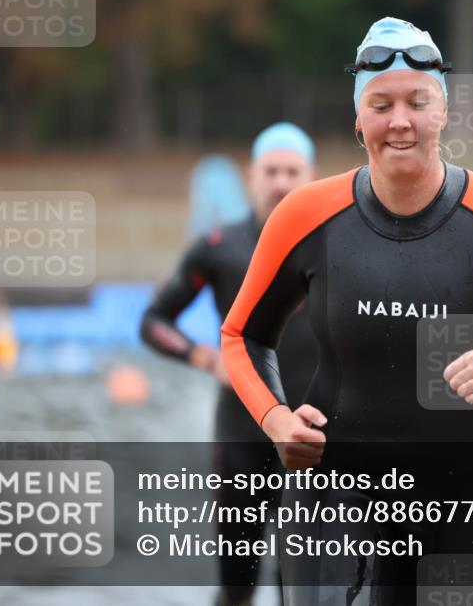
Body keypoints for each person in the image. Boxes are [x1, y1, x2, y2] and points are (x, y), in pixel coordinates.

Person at [220, 17, 473, 605]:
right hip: (335, 491)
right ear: (358, 118)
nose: (399, 121)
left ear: (444, 112)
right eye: (380, 104)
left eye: (417, 102)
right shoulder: (306, 215)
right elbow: (242, 335)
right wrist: (275, 419)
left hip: (468, 499)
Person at [140, 122, 320, 606]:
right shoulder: (220, 247)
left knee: (300, 584)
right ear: (251, 176)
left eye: (292, 171)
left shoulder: (335, 247)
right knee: (237, 585)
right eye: (272, 171)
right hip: (241, 434)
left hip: (312, 437)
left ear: (312, 175)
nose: (282, 181)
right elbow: (154, 321)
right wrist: (203, 357)